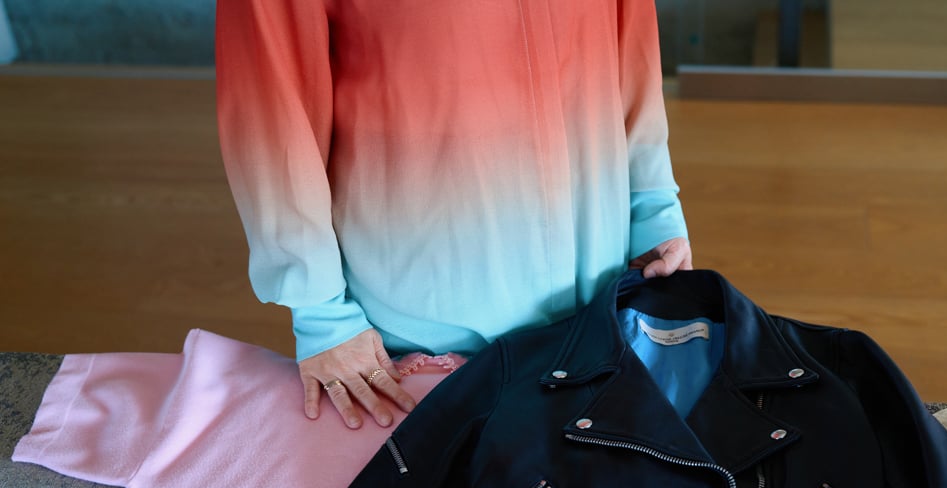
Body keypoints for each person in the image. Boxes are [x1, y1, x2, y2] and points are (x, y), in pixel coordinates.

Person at [215, 0, 692, 430]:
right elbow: (272, 98)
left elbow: (630, 49)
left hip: (596, 291)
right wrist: (322, 314)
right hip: (417, 323)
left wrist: (652, 212)